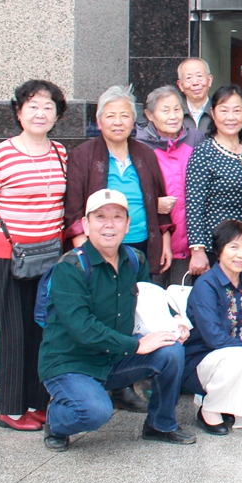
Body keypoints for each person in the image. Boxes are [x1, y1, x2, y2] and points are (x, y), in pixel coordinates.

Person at [39, 189, 194, 450]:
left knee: (171, 350)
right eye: (100, 217)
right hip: (71, 362)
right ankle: (56, 420)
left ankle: (160, 424)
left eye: (117, 217)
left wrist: (174, 321)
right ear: (86, 225)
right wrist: (136, 345)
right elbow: (81, 327)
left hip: (114, 357)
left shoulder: (135, 260)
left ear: (127, 224)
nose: (109, 224)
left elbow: (149, 301)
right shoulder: (70, 267)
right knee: (96, 412)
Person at [0, 79, 68, 432]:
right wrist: (10, 240)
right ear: (18, 112)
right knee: (13, 332)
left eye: (48, 107)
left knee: (41, 329)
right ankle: (11, 410)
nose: (40, 113)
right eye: (32, 106)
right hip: (11, 256)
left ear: (57, 115)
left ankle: (37, 401)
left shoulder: (60, 153)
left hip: (50, 254)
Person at [181, 220, 242, 434]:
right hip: (202, 362)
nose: (241, 255)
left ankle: (225, 407)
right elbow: (213, 336)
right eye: (233, 247)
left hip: (239, 363)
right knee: (240, 354)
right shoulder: (206, 285)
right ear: (219, 250)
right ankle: (208, 411)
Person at [64, 84, 173, 276]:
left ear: (133, 122)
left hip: (141, 244)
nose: (118, 122)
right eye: (110, 116)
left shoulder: (146, 154)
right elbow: (74, 212)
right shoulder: (82, 156)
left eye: (124, 115)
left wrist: (165, 242)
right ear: (99, 122)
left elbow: (160, 203)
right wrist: (86, 255)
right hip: (98, 248)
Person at [185, 84, 242, 279]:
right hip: (216, 248)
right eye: (224, 110)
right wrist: (197, 250)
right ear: (213, 113)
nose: (231, 117)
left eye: (237, 110)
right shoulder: (203, 153)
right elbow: (194, 205)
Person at [135, 85, 194, 286]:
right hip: (154, 242)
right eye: (165, 110)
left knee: (182, 299)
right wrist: (152, 203)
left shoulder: (195, 140)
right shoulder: (139, 147)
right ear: (149, 115)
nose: (173, 116)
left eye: (177, 109)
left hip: (188, 244)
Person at [176, 57, 214, 142]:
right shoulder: (175, 114)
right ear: (180, 85)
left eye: (199, 76)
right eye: (188, 78)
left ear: (209, 80)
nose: (195, 83)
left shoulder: (219, 111)